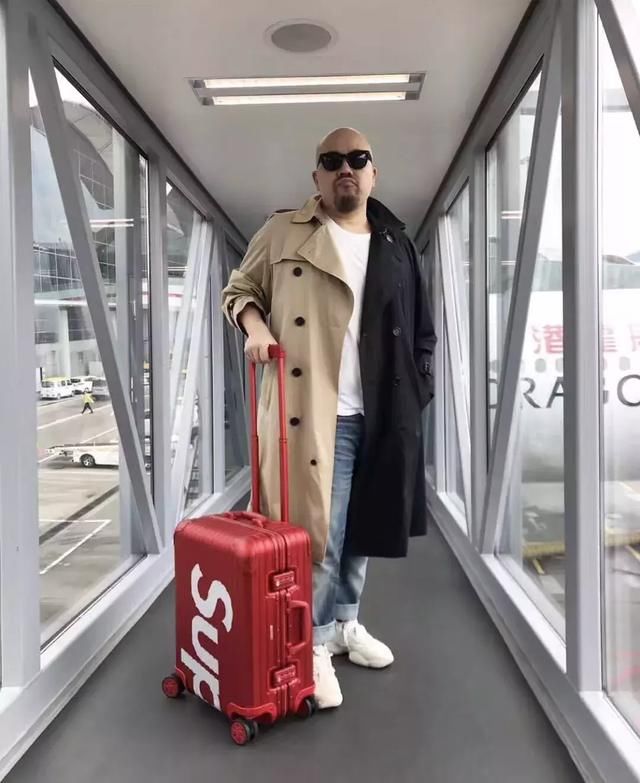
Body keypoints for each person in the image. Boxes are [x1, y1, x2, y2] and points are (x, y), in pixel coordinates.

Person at [222, 127, 436, 709]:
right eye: (333, 159)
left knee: (362, 529)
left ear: (373, 174)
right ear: (316, 175)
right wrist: (256, 329)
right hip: (313, 412)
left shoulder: (395, 243)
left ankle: (344, 624)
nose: (347, 167)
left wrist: (417, 389)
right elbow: (239, 290)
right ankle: (311, 644)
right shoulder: (282, 232)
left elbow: (422, 328)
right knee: (319, 535)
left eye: (358, 159)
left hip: (382, 411)